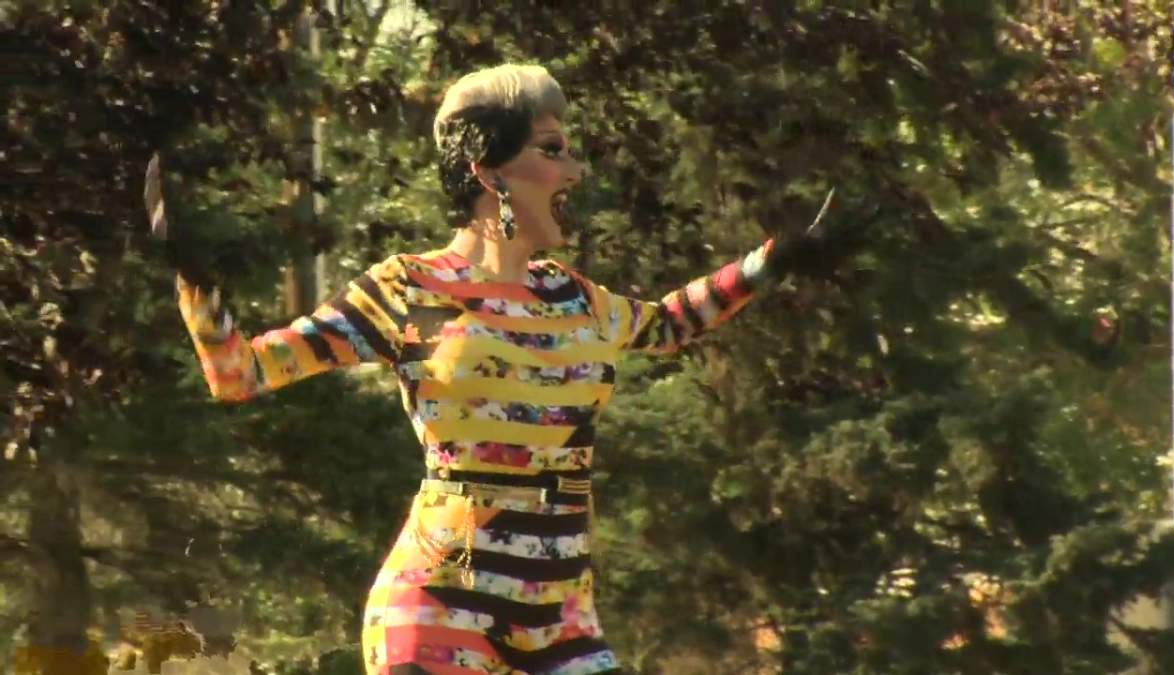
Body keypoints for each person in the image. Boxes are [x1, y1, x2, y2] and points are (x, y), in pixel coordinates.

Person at [165, 63, 836, 675]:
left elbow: (667, 322)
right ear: (489, 172)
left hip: (562, 614)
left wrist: (768, 262)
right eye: (552, 151)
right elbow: (242, 373)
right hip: (438, 610)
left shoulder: (576, 301)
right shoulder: (412, 294)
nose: (574, 171)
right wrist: (196, 287)